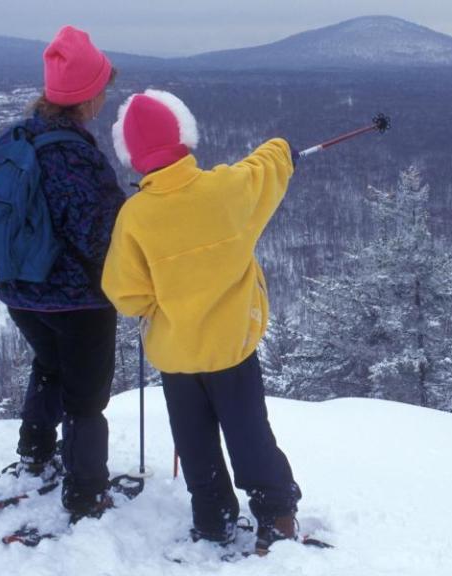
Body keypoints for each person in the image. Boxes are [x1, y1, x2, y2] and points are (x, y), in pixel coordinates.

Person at [102, 89, 302, 554]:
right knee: (250, 434)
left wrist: (159, 304)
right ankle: (277, 514)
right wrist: (282, 149)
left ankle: (213, 520)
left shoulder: (134, 217)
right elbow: (267, 168)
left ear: (132, 157)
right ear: (184, 136)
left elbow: (126, 296)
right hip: (232, 349)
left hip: (177, 358)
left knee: (194, 444)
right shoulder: (228, 190)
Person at [0, 25, 125, 520]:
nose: (104, 97)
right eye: (102, 88)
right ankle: (87, 492)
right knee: (87, 398)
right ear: (86, 95)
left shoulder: (19, 137)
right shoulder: (72, 155)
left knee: (49, 366)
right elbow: (99, 236)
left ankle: (34, 453)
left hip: (17, 290)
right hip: (75, 300)